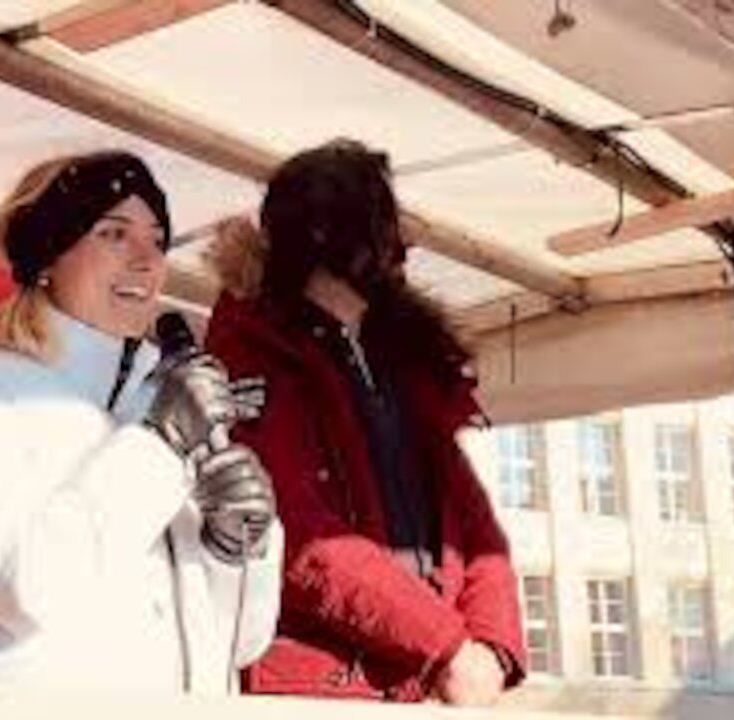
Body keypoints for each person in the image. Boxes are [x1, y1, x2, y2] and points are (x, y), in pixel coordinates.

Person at [0, 150, 283, 718]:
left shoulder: (174, 401)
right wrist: (159, 442)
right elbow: (22, 585)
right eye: (114, 233)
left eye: (157, 240)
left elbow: (243, 643)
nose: (146, 260)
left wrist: (234, 548)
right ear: (49, 256)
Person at [203, 140, 525, 704]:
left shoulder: (403, 362)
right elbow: (297, 533)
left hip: (425, 680)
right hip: (328, 685)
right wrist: (448, 646)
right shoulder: (255, 351)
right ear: (325, 234)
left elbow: (476, 526)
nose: (402, 242)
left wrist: (491, 645)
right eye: (381, 219)